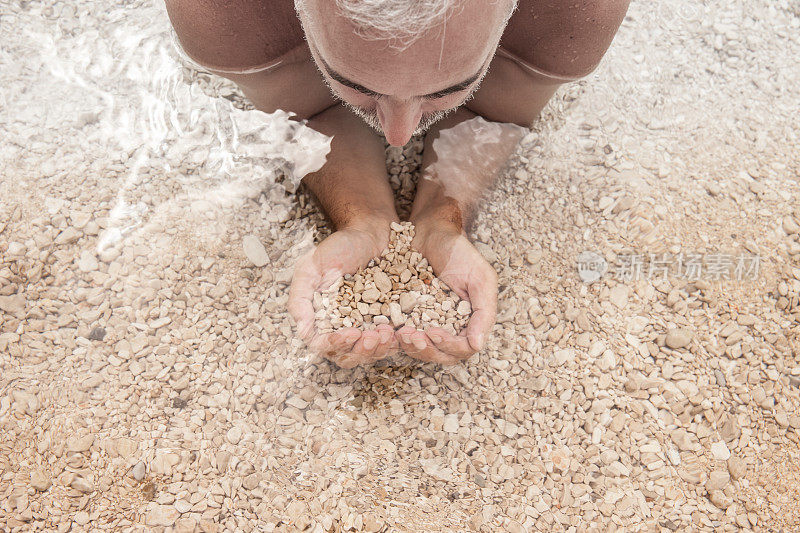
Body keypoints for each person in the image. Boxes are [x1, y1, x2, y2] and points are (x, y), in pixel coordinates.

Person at [166, 0, 629, 368]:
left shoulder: (578, 11)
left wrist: (442, 220)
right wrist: (362, 219)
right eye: (352, 84)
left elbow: (495, 111)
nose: (399, 134)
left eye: (449, 88)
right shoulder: (222, 13)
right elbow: (310, 109)